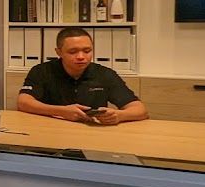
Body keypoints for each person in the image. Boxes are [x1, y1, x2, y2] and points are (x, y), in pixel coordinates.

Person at [18, 27, 148, 125]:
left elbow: (140, 110)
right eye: (73, 52)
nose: (81, 57)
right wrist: (61, 111)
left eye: (87, 51)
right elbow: (23, 102)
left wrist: (119, 115)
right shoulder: (41, 71)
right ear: (59, 52)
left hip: (92, 134)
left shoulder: (104, 74)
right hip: (51, 131)